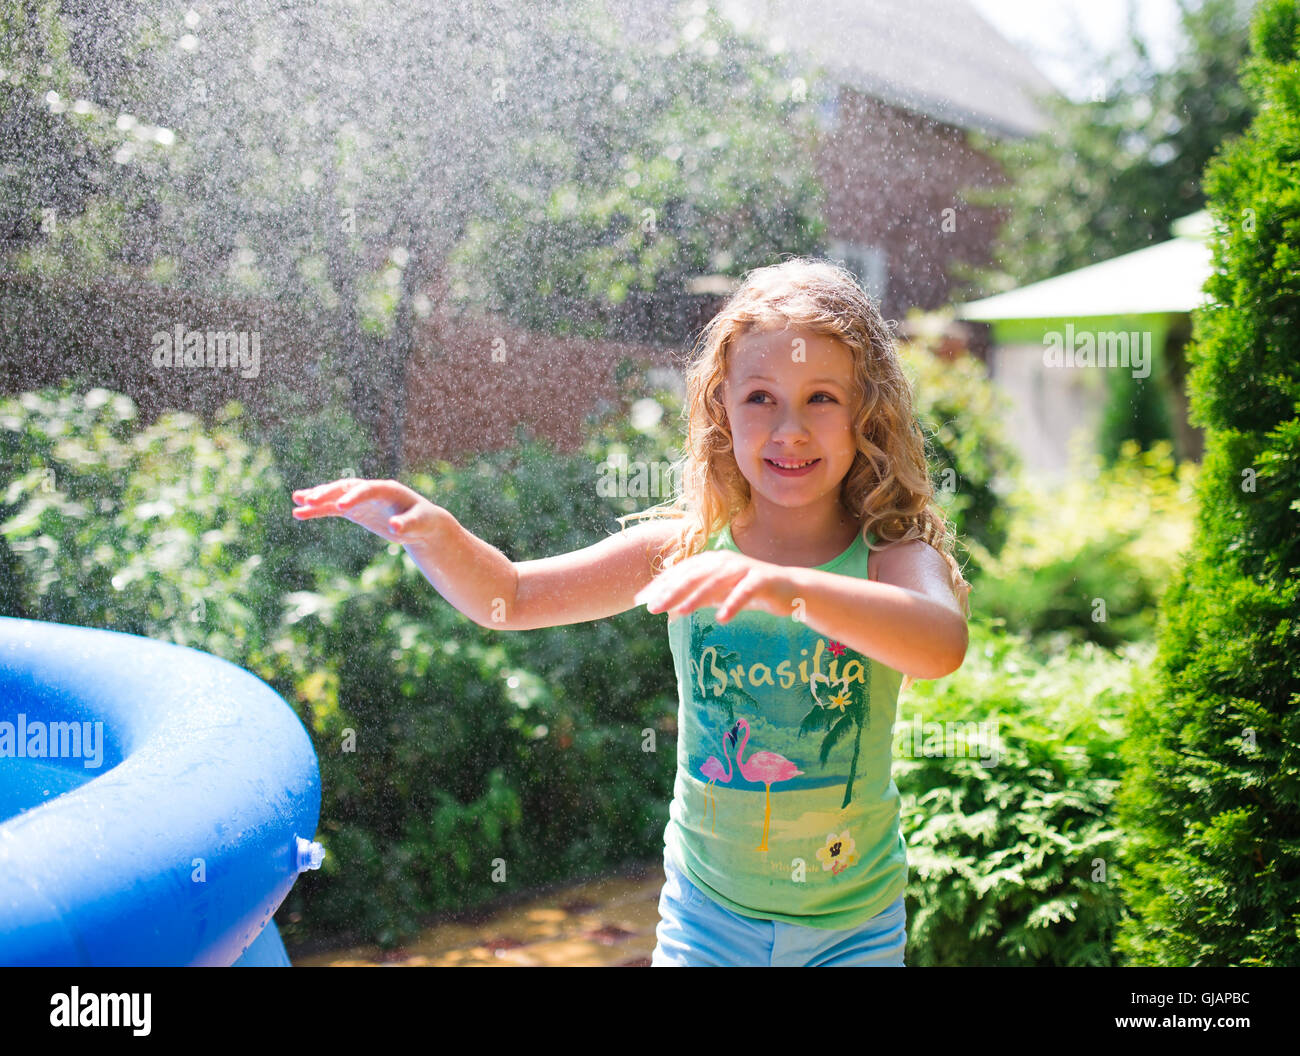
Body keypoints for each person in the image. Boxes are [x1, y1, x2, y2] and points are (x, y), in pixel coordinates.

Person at [290, 256, 971, 966]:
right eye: (761, 398)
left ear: (866, 414)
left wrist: (786, 589)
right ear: (722, 409)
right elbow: (511, 597)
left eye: (822, 398)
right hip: (708, 921)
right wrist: (432, 531)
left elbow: (939, 644)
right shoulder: (677, 550)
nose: (789, 429)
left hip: (850, 928)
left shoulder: (890, 557)